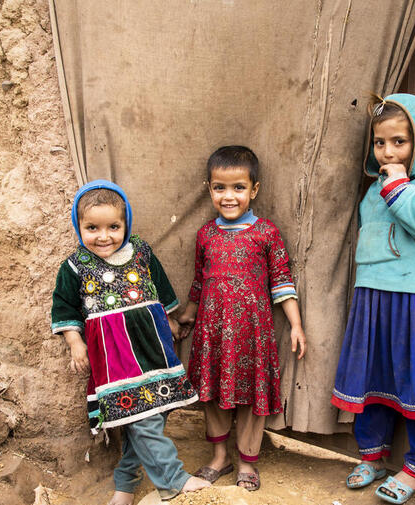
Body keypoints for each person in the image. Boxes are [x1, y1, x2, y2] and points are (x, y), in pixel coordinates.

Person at [51, 180, 210, 505]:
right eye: (92, 227)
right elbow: (64, 306)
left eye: (113, 226)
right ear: (79, 227)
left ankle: (124, 486)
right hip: (115, 357)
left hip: (153, 349)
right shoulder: (74, 266)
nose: (103, 235)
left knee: (148, 418)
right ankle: (174, 479)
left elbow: (160, 287)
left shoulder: (141, 251)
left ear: (126, 224)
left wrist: (169, 320)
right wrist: (75, 342)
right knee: (140, 418)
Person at [331, 94, 415, 504]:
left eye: (399, 141)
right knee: (373, 376)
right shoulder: (372, 191)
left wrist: (399, 183)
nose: (388, 151)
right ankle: (372, 454)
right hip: (374, 296)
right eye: (380, 143)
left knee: (414, 377)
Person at [177, 146, 306, 491]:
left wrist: (295, 324)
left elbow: (281, 281)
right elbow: (199, 281)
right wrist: (188, 315)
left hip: (253, 334)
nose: (229, 196)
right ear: (209, 188)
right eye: (220, 188)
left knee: (253, 397)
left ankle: (248, 462)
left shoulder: (266, 233)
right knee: (213, 394)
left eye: (238, 188)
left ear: (254, 190)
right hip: (212, 334)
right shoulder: (206, 234)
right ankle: (219, 457)